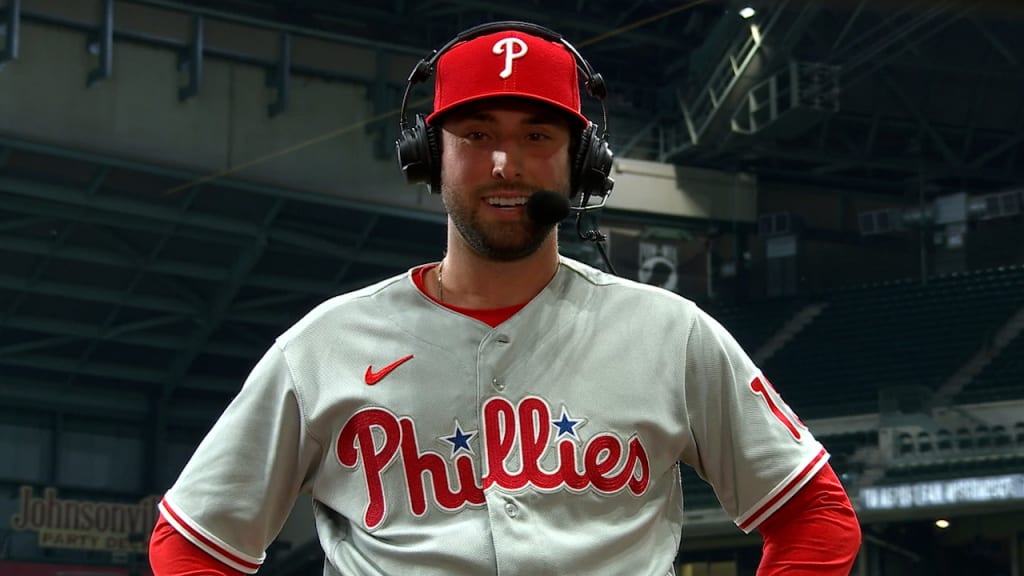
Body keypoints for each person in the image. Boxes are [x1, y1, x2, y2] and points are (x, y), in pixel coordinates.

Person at [149, 21, 861, 576]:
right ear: (431, 155)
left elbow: (816, 515)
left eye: (537, 135)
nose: (505, 161)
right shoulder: (324, 346)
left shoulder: (669, 333)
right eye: (476, 133)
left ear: (582, 162)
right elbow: (193, 540)